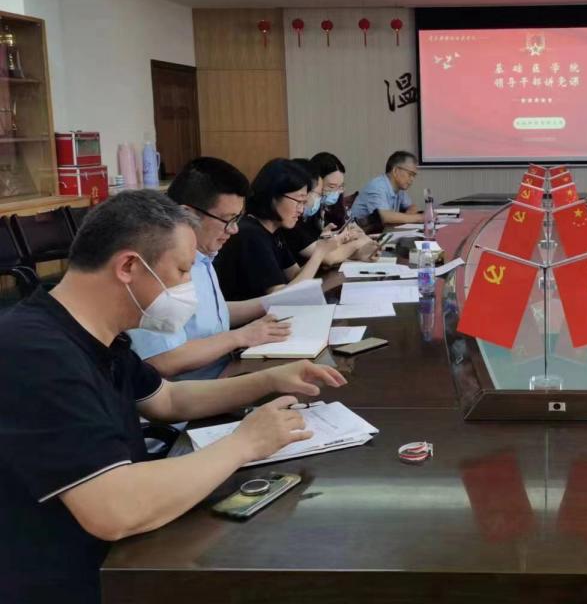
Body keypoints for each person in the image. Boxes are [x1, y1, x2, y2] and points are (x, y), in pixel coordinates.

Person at [0, 190, 345, 604]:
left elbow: (168, 400)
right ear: (128, 266)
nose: (188, 288)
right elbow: (114, 510)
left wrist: (270, 379)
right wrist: (245, 443)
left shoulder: (96, 333)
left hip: (123, 550)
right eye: (182, 271)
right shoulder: (34, 353)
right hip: (74, 576)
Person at [128, 157, 292, 380]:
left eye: (237, 219)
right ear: (188, 215)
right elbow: (164, 360)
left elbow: (211, 314)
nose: (233, 230)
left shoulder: (203, 254)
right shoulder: (157, 266)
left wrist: (272, 304)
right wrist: (240, 337)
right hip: (197, 390)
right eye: (227, 220)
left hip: (226, 369)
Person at [214, 158, 350, 301]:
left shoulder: (274, 231)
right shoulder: (250, 234)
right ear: (274, 196)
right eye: (298, 201)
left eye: (304, 202)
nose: (301, 209)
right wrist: (320, 253)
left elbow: (295, 276)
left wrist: (321, 249)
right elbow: (281, 297)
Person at [281, 158, 377, 266]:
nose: (336, 192)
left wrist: (360, 252)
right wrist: (356, 244)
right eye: (331, 187)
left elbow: (323, 255)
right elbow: (328, 257)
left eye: (340, 187)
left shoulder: (316, 214)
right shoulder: (292, 223)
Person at [349, 150, 423, 225]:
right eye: (410, 174)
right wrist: (420, 217)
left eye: (414, 175)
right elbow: (384, 217)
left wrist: (410, 212)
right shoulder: (377, 187)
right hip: (358, 230)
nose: (412, 179)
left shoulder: (399, 189)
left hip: (380, 230)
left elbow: (411, 206)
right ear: (395, 171)